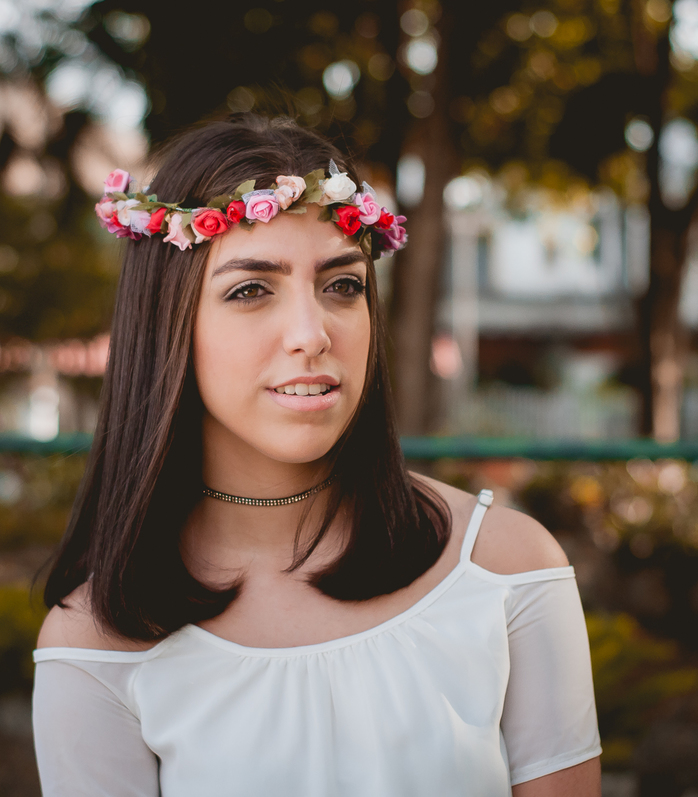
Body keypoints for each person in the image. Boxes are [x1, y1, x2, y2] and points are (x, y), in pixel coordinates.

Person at [31, 114, 602, 797]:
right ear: (166, 323)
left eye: (343, 285)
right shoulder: (94, 644)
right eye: (250, 290)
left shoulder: (507, 569)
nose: (311, 333)